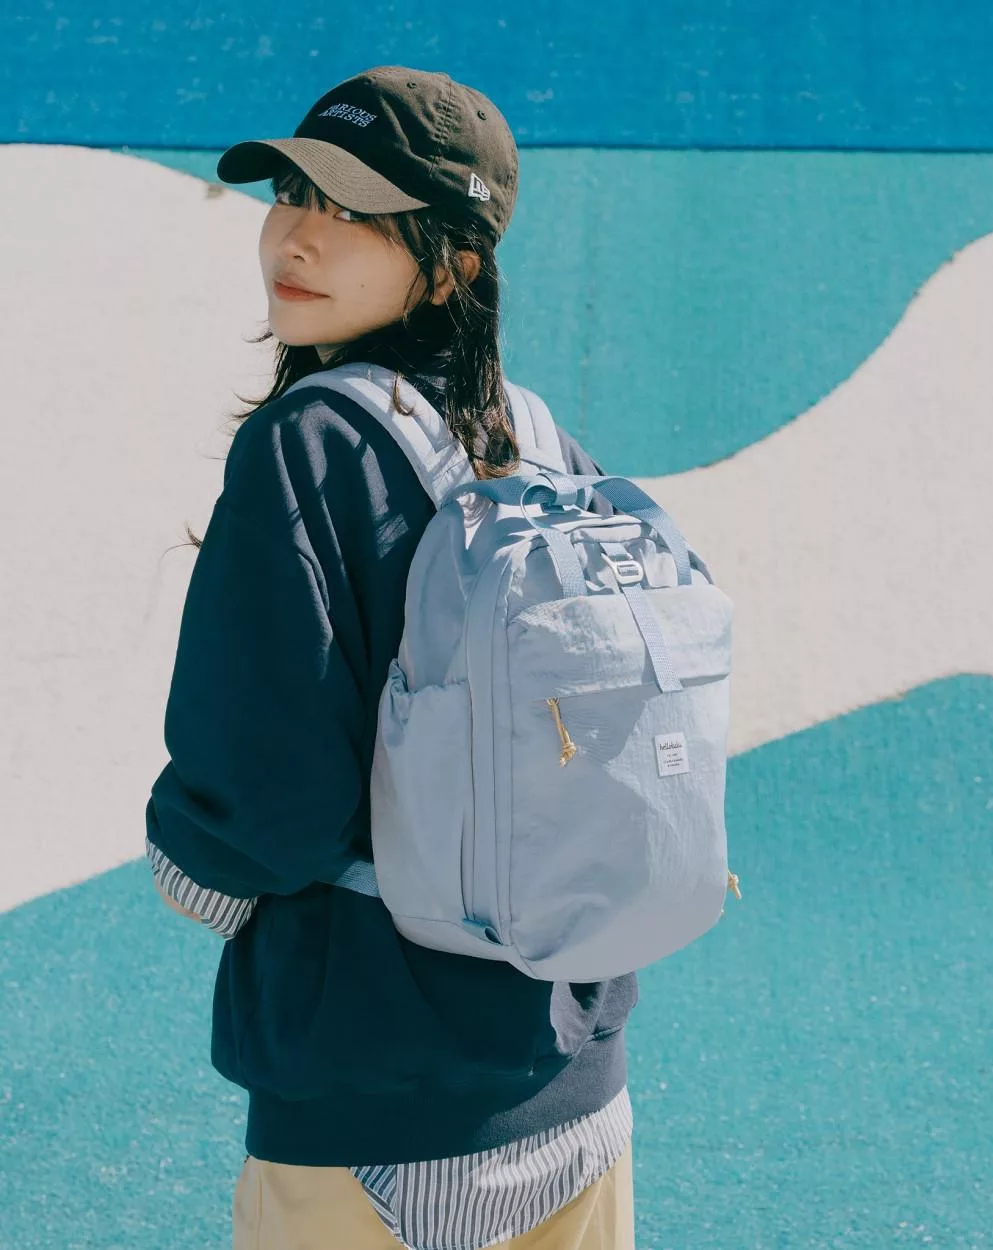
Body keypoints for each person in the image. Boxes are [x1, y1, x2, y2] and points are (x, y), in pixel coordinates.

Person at [144, 65, 638, 1250]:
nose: (298, 236)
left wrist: (189, 867)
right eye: (292, 193)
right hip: (576, 1087)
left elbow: (260, 802)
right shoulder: (546, 439)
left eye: (355, 211)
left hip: (370, 1107)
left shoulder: (306, 444)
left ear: (453, 263)